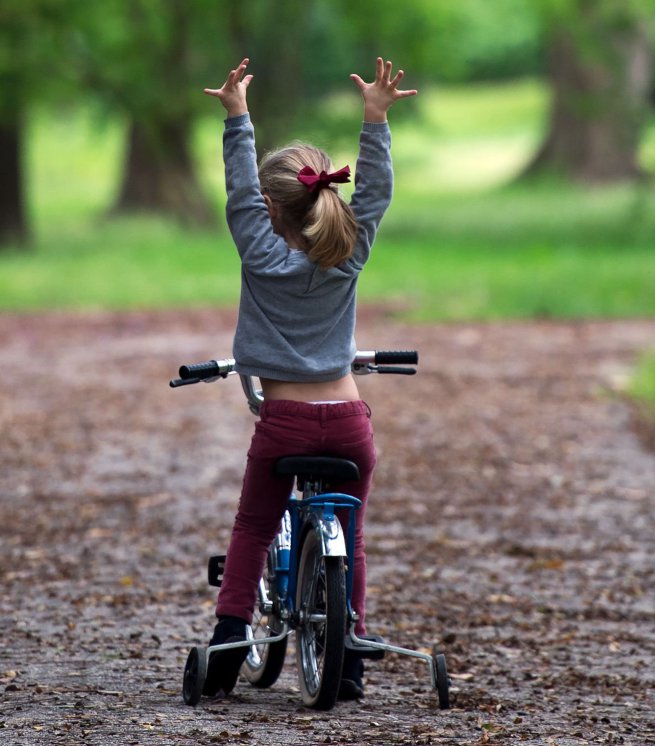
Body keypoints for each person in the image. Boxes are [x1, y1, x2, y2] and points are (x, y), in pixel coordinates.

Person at [200, 56, 417, 701]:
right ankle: (347, 661)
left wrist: (238, 116)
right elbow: (373, 196)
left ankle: (227, 643)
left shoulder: (261, 255)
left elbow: (240, 190)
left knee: (253, 527)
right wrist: (375, 117)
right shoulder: (347, 256)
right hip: (350, 425)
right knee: (350, 533)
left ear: (269, 209)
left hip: (285, 420)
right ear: (330, 198)